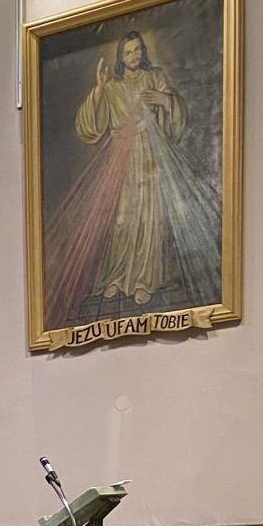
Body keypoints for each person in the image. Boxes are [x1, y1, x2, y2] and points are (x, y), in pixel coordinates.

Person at [45, 29, 221, 326]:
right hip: (120, 161)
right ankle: (117, 276)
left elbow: (176, 113)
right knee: (121, 219)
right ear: (120, 57)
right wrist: (99, 89)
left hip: (150, 157)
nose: (134, 56)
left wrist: (165, 100)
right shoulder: (112, 87)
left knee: (147, 217)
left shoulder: (155, 77)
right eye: (128, 52)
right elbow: (90, 127)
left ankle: (143, 280)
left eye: (137, 50)